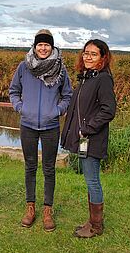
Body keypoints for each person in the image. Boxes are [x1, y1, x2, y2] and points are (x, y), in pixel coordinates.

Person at [9, 29, 72, 231]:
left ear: (52, 46)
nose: (43, 48)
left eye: (47, 45)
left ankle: (47, 211)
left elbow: (67, 95)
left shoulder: (60, 68)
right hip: (27, 125)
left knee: (49, 169)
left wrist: (57, 110)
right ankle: (30, 208)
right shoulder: (24, 67)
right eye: (40, 44)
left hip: (50, 126)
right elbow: (13, 91)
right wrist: (20, 107)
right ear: (34, 46)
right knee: (29, 167)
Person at [61, 39, 116, 238]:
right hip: (85, 138)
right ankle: (91, 221)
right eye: (86, 53)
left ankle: (96, 226)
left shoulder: (103, 79)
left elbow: (108, 110)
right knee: (89, 179)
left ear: (103, 57)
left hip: (92, 139)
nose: (88, 57)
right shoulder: (87, 78)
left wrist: (87, 128)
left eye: (93, 54)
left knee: (92, 181)